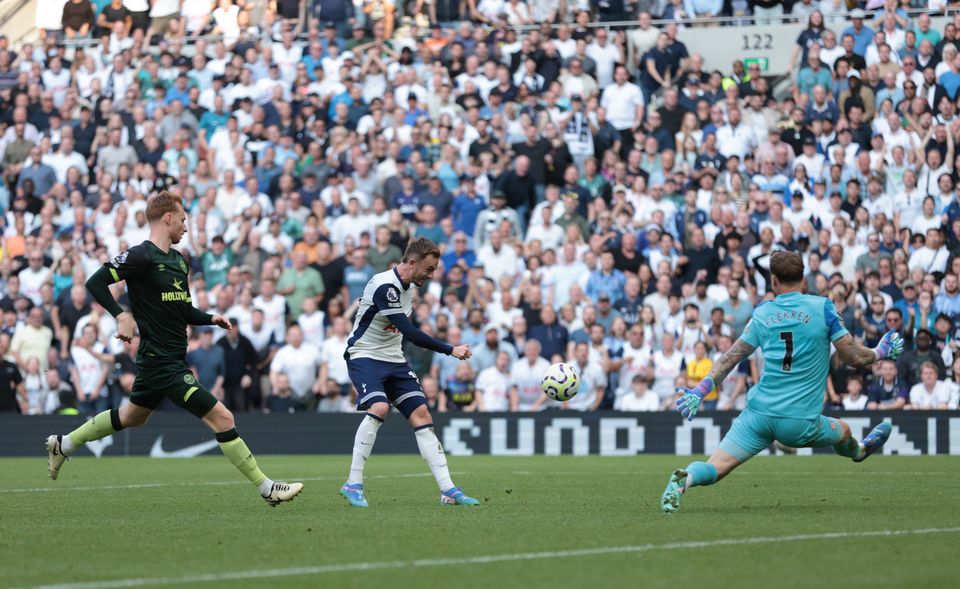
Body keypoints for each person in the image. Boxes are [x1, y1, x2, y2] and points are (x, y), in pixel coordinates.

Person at [45, 191, 303, 506]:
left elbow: (183, 310)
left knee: (132, 417)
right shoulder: (141, 256)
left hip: (165, 360)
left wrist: (210, 318)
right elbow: (95, 282)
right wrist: (121, 314)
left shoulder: (179, 262)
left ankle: (64, 443)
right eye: (182, 220)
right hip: (162, 362)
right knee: (223, 418)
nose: (185, 227)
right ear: (167, 218)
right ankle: (267, 488)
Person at [661, 251, 903, 513]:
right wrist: (880, 351)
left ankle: (687, 478)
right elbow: (853, 357)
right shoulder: (823, 307)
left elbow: (731, 357)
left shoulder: (763, 312)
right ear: (803, 279)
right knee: (843, 431)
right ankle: (860, 452)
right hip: (798, 422)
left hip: (758, 415)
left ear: (773, 281)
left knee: (714, 468)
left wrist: (699, 391)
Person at [339, 237, 478, 508]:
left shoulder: (407, 288)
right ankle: (353, 483)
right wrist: (450, 349)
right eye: (429, 269)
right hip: (365, 355)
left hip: (393, 359)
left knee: (422, 414)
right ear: (412, 262)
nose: (432, 274)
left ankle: (448, 490)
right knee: (379, 407)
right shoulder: (385, 286)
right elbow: (411, 333)